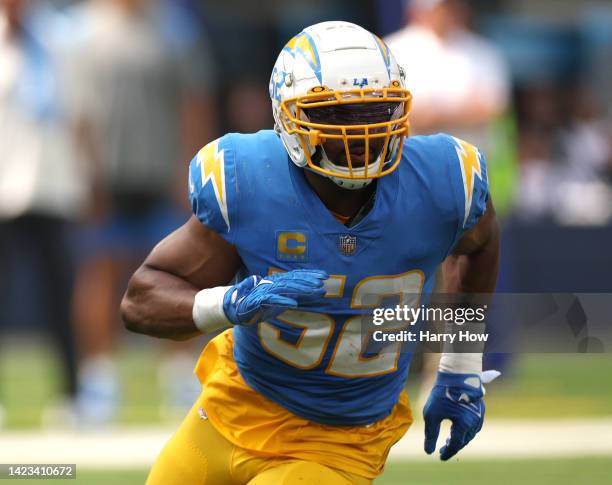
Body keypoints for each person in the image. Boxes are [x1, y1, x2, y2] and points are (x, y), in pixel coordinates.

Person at [121, 21, 500, 484]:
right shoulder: (251, 182)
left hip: (341, 439)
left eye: (377, 111)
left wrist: (461, 365)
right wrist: (230, 304)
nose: (362, 132)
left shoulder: (442, 183)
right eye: (336, 115)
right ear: (287, 116)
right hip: (236, 407)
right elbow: (141, 300)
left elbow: (479, 247)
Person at [68, 0, 216, 423]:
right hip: (107, 179)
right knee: (100, 274)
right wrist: (86, 175)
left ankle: (179, 380)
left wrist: (190, 172)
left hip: (161, 176)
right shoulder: (84, 30)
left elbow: (194, 103)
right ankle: (99, 384)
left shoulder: (176, 29)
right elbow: (79, 115)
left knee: (175, 278)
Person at [0, 0, 85, 425]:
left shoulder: (59, 39)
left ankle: (71, 397)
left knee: (59, 297)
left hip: (53, 189)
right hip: (5, 190)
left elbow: (80, 115)